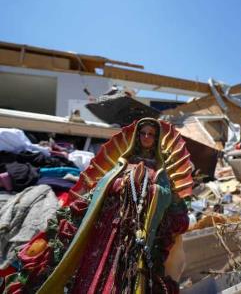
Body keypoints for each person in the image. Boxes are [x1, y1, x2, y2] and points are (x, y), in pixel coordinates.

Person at [4, 118, 191, 294]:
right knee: (96, 267)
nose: (146, 137)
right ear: (137, 136)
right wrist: (119, 185)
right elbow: (103, 187)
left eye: (151, 134)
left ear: (156, 139)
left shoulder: (159, 171)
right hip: (109, 229)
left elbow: (166, 197)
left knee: (129, 273)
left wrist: (155, 189)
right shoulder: (122, 164)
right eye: (143, 133)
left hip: (138, 232)